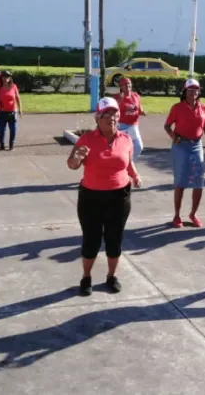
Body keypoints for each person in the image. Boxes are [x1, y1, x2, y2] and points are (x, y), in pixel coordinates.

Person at [67, 97, 142, 296]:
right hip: (91, 197)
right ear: (97, 118)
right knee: (91, 240)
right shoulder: (86, 140)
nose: (111, 118)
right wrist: (76, 158)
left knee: (114, 239)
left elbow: (127, 162)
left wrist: (135, 175)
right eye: (106, 114)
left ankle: (111, 276)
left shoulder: (125, 139)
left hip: (120, 196)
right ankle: (86, 277)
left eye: (114, 114)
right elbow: (72, 165)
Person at [164, 79, 205, 228]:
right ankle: (177, 216)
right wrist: (173, 137)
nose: (193, 92)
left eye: (196, 90)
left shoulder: (204, 107)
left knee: (198, 182)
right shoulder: (177, 108)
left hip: (197, 145)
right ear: (184, 92)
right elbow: (167, 126)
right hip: (181, 145)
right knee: (180, 181)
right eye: (190, 90)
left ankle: (193, 214)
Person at [114, 77, 146, 161]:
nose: (127, 86)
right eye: (124, 85)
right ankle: (122, 163)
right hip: (122, 126)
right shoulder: (118, 97)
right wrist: (119, 102)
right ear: (121, 87)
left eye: (128, 84)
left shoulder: (136, 96)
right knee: (121, 148)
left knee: (138, 146)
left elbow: (139, 108)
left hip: (133, 126)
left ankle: (128, 163)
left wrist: (142, 112)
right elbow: (113, 111)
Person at [0, 70, 22, 151]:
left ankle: (11, 144)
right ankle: (2, 144)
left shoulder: (13, 86)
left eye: (7, 77)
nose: (5, 79)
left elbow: (17, 98)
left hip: (12, 112)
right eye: (4, 77)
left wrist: (20, 109)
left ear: (10, 78)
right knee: (2, 129)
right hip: (1, 112)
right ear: (1, 78)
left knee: (13, 129)